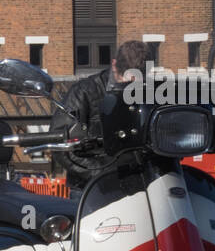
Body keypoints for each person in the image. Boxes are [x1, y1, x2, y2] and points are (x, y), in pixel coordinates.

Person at [49, 40, 149, 191]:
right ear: (114, 65)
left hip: (140, 184)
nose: (129, 89)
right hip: (90, 189)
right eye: (125, 82)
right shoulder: (84, 92)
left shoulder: (150, 93)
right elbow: (60, 145)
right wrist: (102, 174)